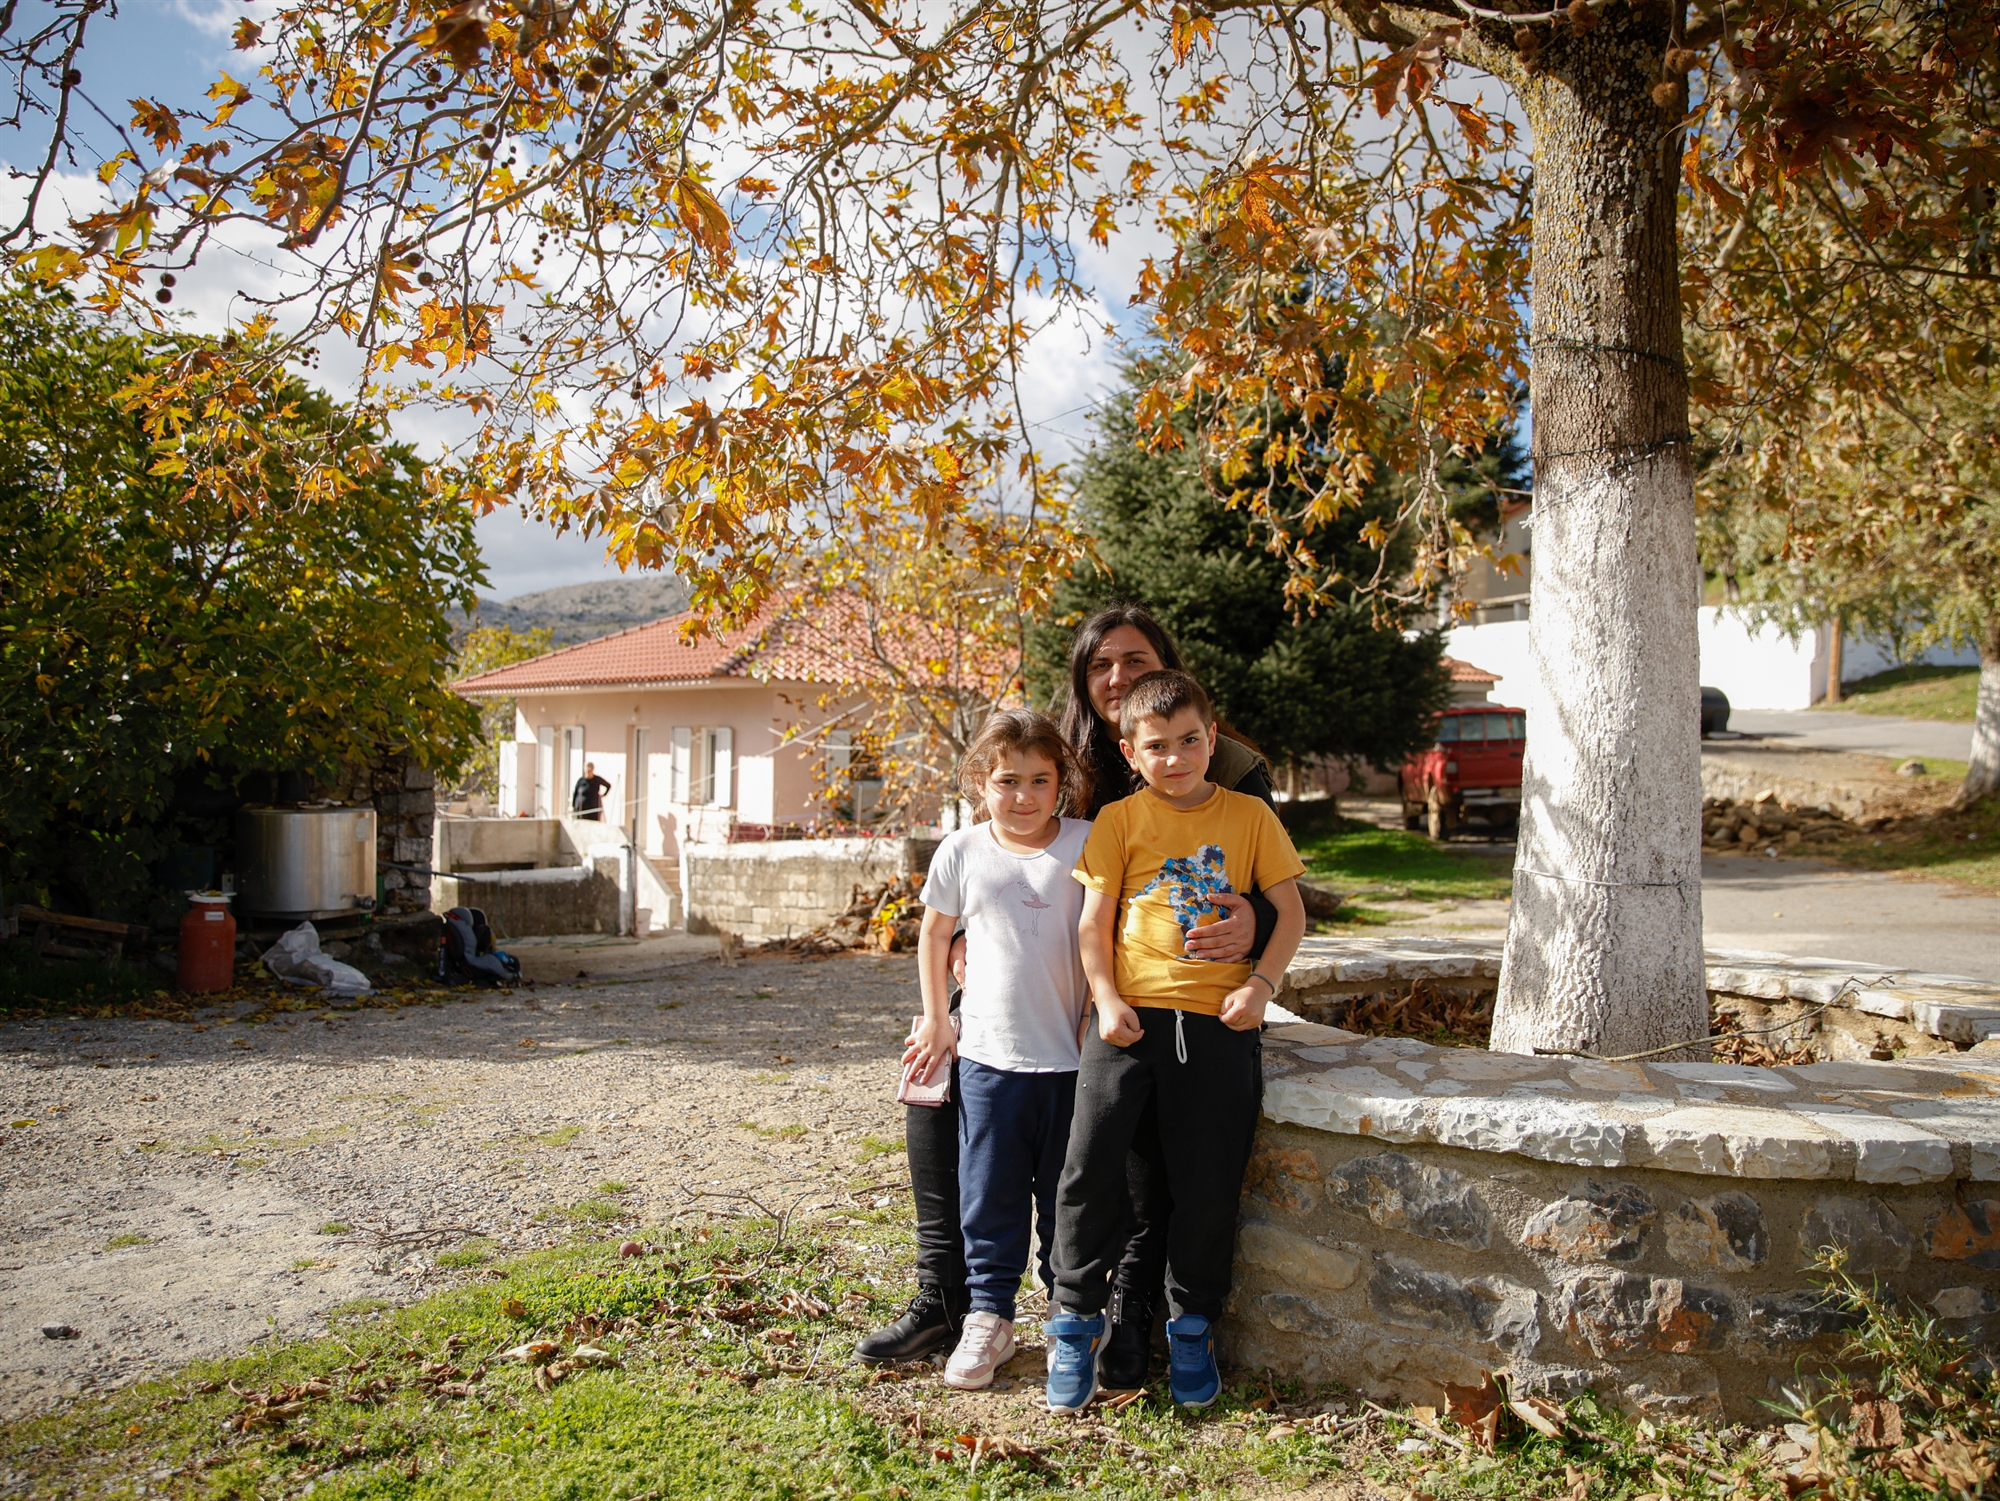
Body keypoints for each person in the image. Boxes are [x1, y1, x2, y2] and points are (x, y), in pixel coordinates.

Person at [854, 603, 1278, 1370]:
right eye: (1100, 663)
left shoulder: (1225, 765)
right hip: (1042, 988)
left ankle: (1121, 1306)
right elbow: (996, 876)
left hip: (1162, 995)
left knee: (1110, 1152)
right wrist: (954, 963)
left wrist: (1253, 919)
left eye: (1137, 660)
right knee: (930, 1077)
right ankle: (947, 1297)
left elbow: (1272, 888)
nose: (1119, 675)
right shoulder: (1061, 756)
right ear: (1084, 681)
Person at [1045, 669, 1306, 1413]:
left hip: (1219, 1027)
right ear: (1131, 751)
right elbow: (1092, 924)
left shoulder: (1250, 817)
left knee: (1206, 1185)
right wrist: (1103, 999)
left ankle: (1192, 1328)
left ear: (1211, 738)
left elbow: (1289, 914)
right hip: (1126, 1024)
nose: (1175, 756)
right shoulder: (1120, 823)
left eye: (1189, 740)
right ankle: (1074, 1323)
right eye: (1156, 745)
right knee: (1089, 1172)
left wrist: (1261, 986)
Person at [906, 710, 1094, 1390]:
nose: (1023, 796)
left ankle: (1069, 1319)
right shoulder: (961, 850)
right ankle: (989, 1317)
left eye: (1040, 780)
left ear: (1062, 782)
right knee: (989, 1197)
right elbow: (934, 937)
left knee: (1068, 1200)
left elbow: (1114, 936)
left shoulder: (1088, 843)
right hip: (989, 1062)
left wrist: (1099, 1009)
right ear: (980, 781)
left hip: (1073, 1066)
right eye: (1007, 780)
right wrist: (936, 1019)